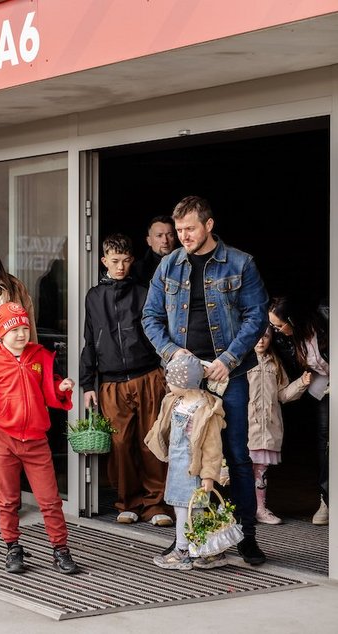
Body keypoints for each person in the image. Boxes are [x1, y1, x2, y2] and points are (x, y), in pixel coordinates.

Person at [142, 195, 269, 565]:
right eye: (179, 229)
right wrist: (171, 352)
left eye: (190, 229)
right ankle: (188, 538)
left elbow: (257, 315)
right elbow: (150, 316)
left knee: (236, 456)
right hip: (186, 380)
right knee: (186, 459)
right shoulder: (168, 265)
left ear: (209, 225)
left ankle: (245, 536)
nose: (182, 236)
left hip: (229, 375)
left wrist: (229, 359)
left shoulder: (241, 263)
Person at [0, 303, 79, 575]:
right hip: (4, 441)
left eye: (25, 328)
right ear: (1, 332)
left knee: (50, 500)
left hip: (36, 441)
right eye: (14, 330)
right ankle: (12, 547)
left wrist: (60, 387)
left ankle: (60, 549)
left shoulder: (40, 355)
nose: (21, 334)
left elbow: (49, 390)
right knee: (7, 500)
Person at [79, 234, 170, 526]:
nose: (121, 267)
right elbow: (89, 340)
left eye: (126, 261)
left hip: (148, 375)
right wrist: (87, 384)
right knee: (120, 445)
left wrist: (166, 371)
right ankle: (127, 503)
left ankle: (155, 504)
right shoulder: (94, 296)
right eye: (115, 261)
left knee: (152, 443)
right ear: (104, 261)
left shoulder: (144, 292)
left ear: (132, 261)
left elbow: (159, 333)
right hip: (111, 382)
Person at [145, 355, 227, 570]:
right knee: (182, 506)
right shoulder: (175, 401)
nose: (168, 385)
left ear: (185, 383)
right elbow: (162, 425)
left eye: (171, 381)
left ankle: (184, 550)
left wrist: (208, 475)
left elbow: (212, 447)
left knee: (191, 509)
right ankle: (201, 550)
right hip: (177, 465)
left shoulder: (205, 410)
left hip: (193, 469)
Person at [268, 296, 330, 525]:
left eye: (278, 325)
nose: (275, 330)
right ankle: (327, 499)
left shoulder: (326, 320)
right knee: (325, 439)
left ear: (293, 320)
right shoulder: (285, 338)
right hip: (324, 384)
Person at [247, 327, 310, 525]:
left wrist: (301, 383)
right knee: (242, 468)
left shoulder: (275, 363)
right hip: (247, 426)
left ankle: (260, 509)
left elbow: (283, 394)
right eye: (257, 336)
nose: (261, 341)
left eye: (265, 336)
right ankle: (243, 509)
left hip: (268, 427)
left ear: (271, 338)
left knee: (261, 469)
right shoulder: (242, 362)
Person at [132, 215, 177, 286]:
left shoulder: (186, 263)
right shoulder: (138, 269)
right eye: (159, 236)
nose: (165, 241)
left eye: (170, 235)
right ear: (149, 241)